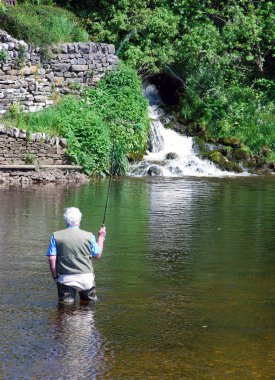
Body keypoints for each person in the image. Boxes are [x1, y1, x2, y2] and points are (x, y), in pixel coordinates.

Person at [46, 207, 106, 304]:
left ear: (65, 220)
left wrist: (55, 277)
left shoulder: (56, 236)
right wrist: (101, 237)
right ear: (79, 220)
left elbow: (52, 258)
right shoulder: (89, 236)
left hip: (65, 278)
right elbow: (97, 255)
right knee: (88, 306)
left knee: (65, 310)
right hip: (86, 278)